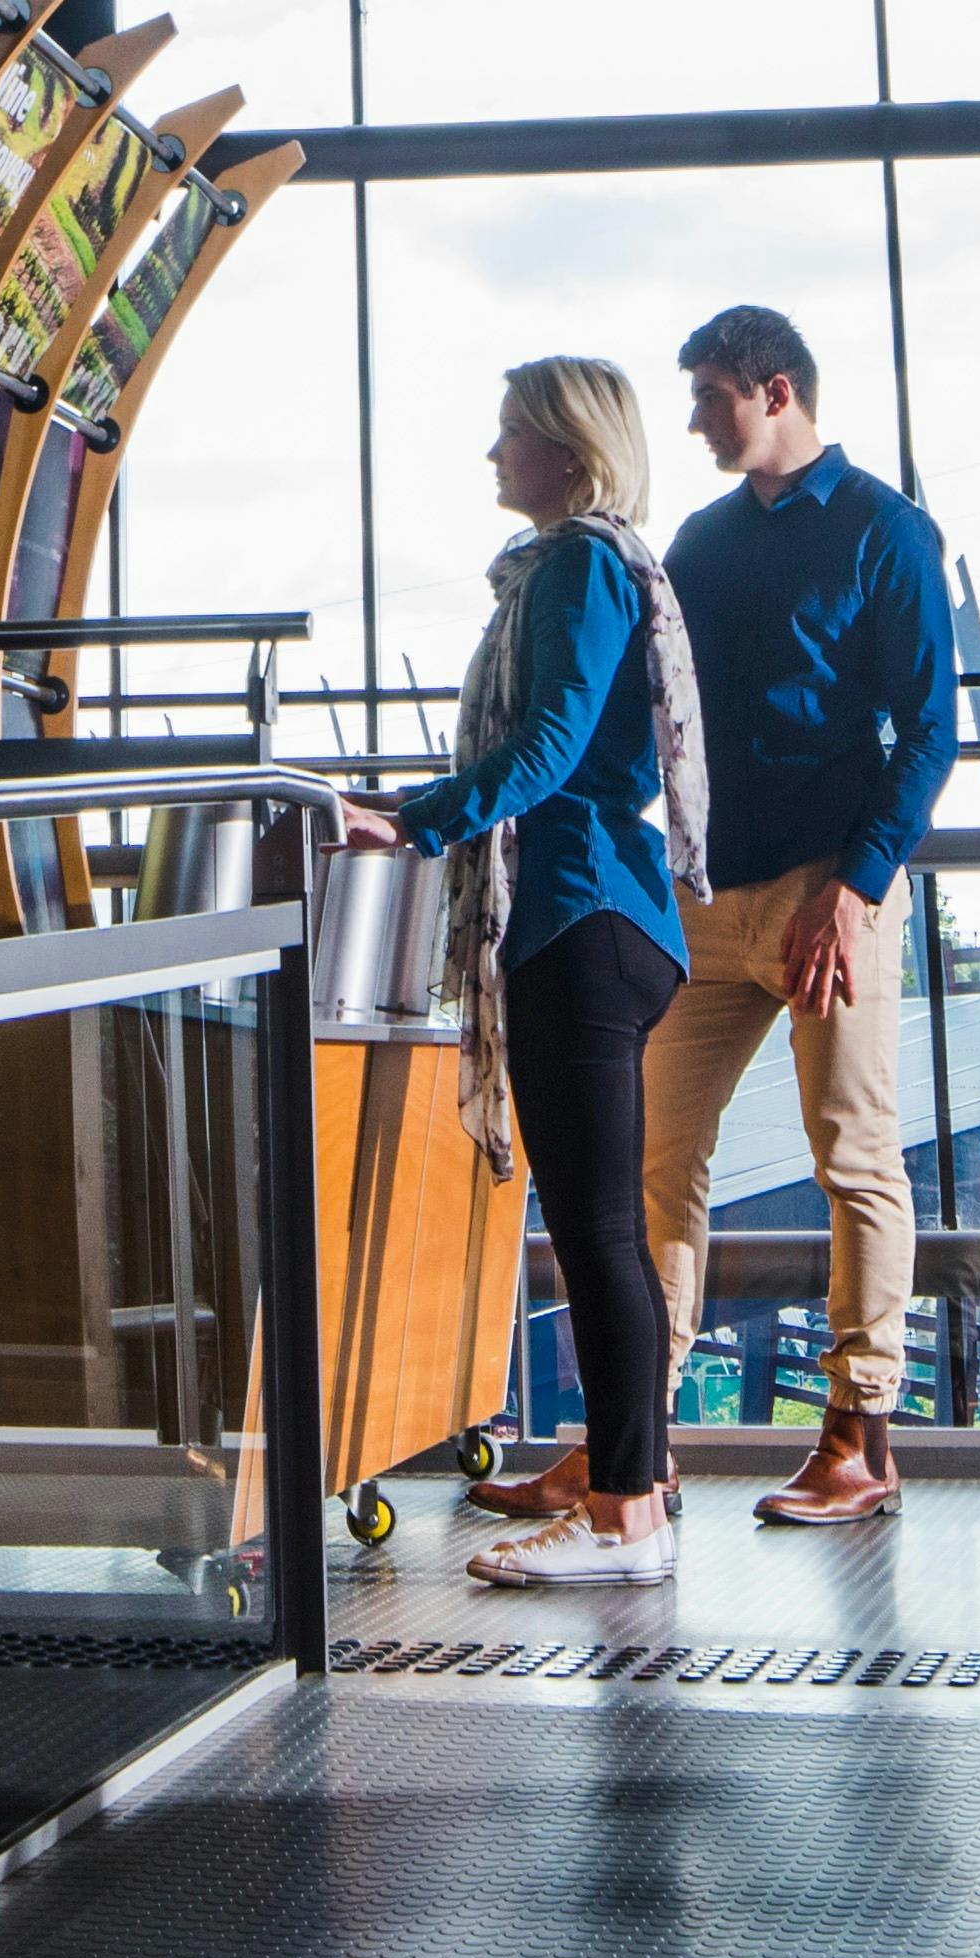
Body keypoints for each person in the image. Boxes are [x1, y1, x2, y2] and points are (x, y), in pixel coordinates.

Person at [467, 299, 956, 1532]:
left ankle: (861, 1433)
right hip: (704, 900)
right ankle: (637, 1447)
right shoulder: (695, 539)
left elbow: (931, 730)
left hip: (827, 894)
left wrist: (856, 888)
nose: (692, 420)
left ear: (776, 389)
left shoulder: (885, 531)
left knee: (852, 1154)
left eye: (710, 397)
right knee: (649, 1167)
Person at [338, 355, 706, 1588]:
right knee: (604, 1230)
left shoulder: (578, 565)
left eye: (511, 435)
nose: (493, 455)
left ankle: (621, 1520)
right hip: (595, 917)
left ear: (566, 450)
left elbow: (547, 745)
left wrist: (418, 820)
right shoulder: (581, 566)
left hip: (577, 915)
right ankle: (633, 1490)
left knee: (598, 1231)